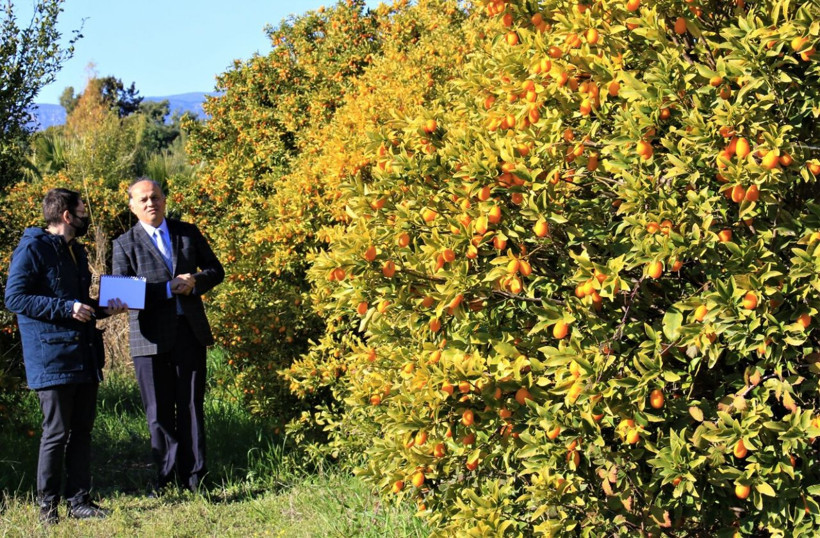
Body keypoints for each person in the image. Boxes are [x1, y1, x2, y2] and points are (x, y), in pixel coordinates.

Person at [4, 188, 127, 524]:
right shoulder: (32, 248)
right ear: (67, 216)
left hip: (84, 354)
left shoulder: (77, 251)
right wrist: (67, 307)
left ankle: (80, 502)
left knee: (81, 431)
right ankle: (48, 508)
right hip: (52, 357)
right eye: (83, 210)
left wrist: (106, 309)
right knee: (56, 432)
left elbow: (80, 304)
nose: (87, 215)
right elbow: (15, 298)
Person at [112, 177, 224, 493]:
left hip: (189, 332)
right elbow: (121, 293)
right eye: (143, 199)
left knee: (190, 406)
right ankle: (165, 478)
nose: (151, 203)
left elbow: (217, 270)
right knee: (158, 412)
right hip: (147, 338)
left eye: (156, 197)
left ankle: (195, 478)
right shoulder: (124, 243)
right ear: (132, 206)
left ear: (164, 200)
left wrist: (196, 281)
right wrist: (165, 289)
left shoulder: (187, 232)